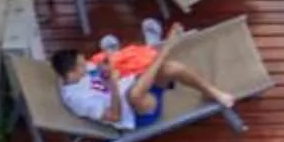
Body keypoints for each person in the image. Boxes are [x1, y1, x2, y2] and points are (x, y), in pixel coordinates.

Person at [51, 27, 234, 131]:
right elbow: (115, 116)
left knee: (173, 68)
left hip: (137, 83)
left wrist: (105, 68)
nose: (86, 66)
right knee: (134, 94)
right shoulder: (77, 100)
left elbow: (97, 71)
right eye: (82, 66)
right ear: (71, 74)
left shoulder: (75, 75)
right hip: (138, 111)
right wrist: (114, 87)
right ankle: (167, 47)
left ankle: (213, 93)